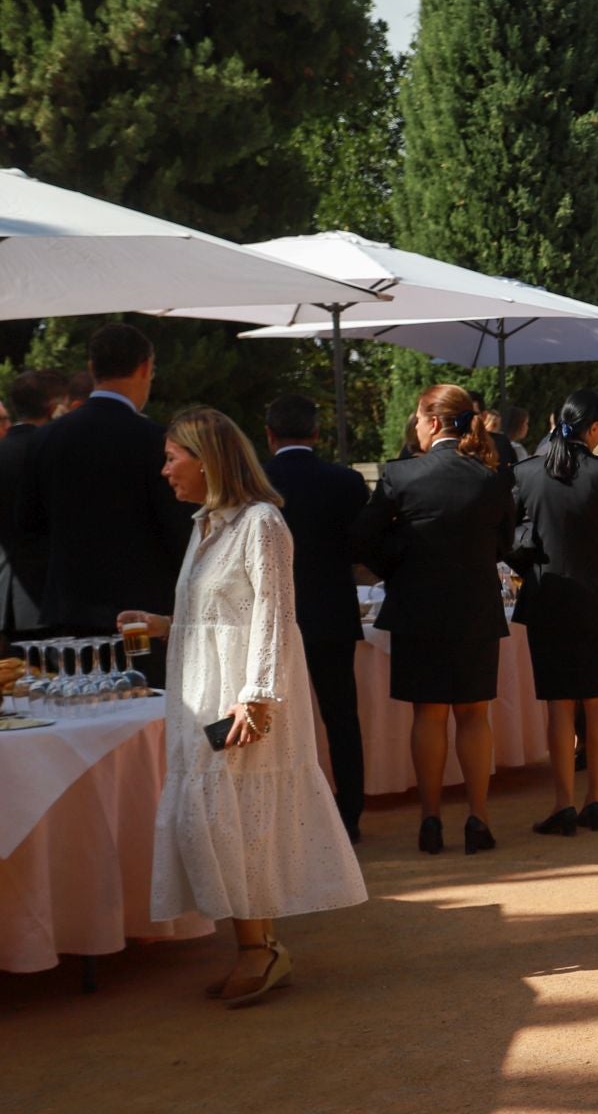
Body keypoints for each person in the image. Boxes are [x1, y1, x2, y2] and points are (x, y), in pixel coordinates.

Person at [119, 407, 366, 1007]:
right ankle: (259, 946)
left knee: (239, 816)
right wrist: (166, 624)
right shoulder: (205, 524)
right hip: (204, 690)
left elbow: (275, 617)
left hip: (245, 697)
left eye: (173, 457)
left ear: (208, 460)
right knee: (216, 815)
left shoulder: (261, 524)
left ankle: (259, 949)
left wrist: (257, 696)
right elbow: (223, 613)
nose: (164, 469)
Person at [351, 384, 514, 855]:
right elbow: (504, 542)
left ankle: (429, 820)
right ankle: (478, 819)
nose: (415, 427)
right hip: (476, 607)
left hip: (417, 607)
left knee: (428, 714)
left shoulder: (401, 475)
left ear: (432, 419)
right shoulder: (491, 477)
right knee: (473, 714)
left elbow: (362, 536)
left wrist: (399, 565)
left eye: (417, 419)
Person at [18, 324, 193, 689]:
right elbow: (178, 529)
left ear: (92, 365)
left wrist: (53, 591)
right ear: (145, 368)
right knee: (146, 719)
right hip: (142, 617)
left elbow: (26, 532)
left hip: (67, 616)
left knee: (81, 724)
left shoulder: (46, 438)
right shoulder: (155, 440)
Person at [511, 391, 598, 836]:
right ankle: (595, 800)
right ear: (597, 428)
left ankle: (563, 802)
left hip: (548, 598)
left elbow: (511, 542)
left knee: (559, 706)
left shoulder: (526, 473)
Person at [263, 394, 371, 843]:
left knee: (271, 720)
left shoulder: (256, 480)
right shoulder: (345, 482)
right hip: (330, 610)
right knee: (341, 716)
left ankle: (277, 815)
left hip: (270, 618)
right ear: (317, 433)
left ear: (269, 435)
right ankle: (350, 816)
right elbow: (363, 547)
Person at [0, 369, 64, 640]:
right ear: (52, 407)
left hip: (6, 586)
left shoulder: (4, 451)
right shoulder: (57, 449)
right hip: (54, 589)